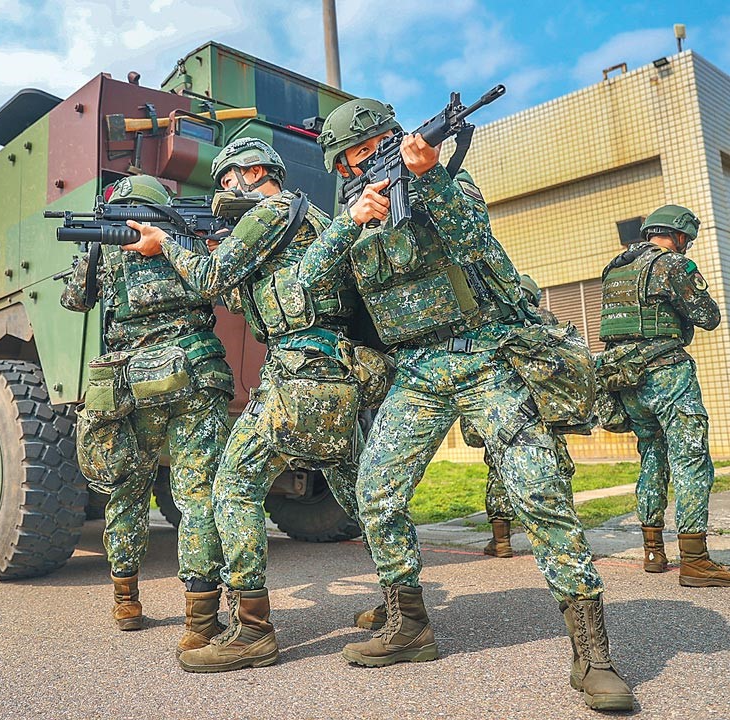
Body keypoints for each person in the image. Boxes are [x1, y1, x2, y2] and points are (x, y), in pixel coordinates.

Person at [302, 98, 633, 711]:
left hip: (483, 357)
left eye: (368, 151)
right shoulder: (346, 218)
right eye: (348, 159)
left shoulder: (447, 184)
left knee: (539, 490)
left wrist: (429, 178)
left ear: (390, 141)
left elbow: (479, 243)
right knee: (373, 489)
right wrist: (353, 221)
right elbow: (308, 285)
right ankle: (410, 624)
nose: (360, 164)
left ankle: (593, 655)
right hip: (417, 372)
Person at [123, 138, 365, 673]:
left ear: (254, 171)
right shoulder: (312, 217)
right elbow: (249, 295)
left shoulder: (271, 210)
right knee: (363, 494)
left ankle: (253, 630)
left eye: (227, 180)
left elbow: (213, 282)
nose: (223, 192)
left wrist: (166, 245)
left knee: (232, 488)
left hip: (297, 373)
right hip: (339, 374)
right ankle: (404, 608)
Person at [59, 175, 234, 655]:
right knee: (198, 496)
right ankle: (201, 620)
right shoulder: (186, 239)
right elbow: (223, 283)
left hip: (131, 383)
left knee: (128, 488)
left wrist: (92, 253)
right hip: (196, 373)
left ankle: (126, 600)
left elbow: (75, 300)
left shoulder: (108, 247)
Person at [599, 205, 728, 587]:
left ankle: (653, 551)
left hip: (627, 379)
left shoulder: (615, 268)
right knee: (691, 461)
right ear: (681, 236)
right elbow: (708, 316)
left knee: (652, 456)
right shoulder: (673, 265)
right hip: (667, 372)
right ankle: (696, 561)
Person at [460, 274, 577, 560]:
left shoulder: (492, 318)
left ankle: (501, 540)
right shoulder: (546, 319)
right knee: (557, 467)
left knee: (499, 467)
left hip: (502, 407)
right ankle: (566, 540)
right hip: (542, 409)